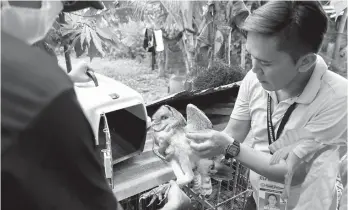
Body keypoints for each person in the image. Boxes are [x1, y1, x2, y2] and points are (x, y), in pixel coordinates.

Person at [1, 1, 190, 210]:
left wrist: (67, 78)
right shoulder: (49, 93)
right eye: (59, 4)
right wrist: (174, 206)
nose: (55, 15)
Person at [186, 1, 347, 210]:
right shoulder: (254, 81)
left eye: (266, 63)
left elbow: (292, 171)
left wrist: (230, 146)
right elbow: (234, 132)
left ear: (305, 62)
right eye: (252, 56)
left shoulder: (337, 97)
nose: (254, 70)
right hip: (260, 200)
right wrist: (201, 152)